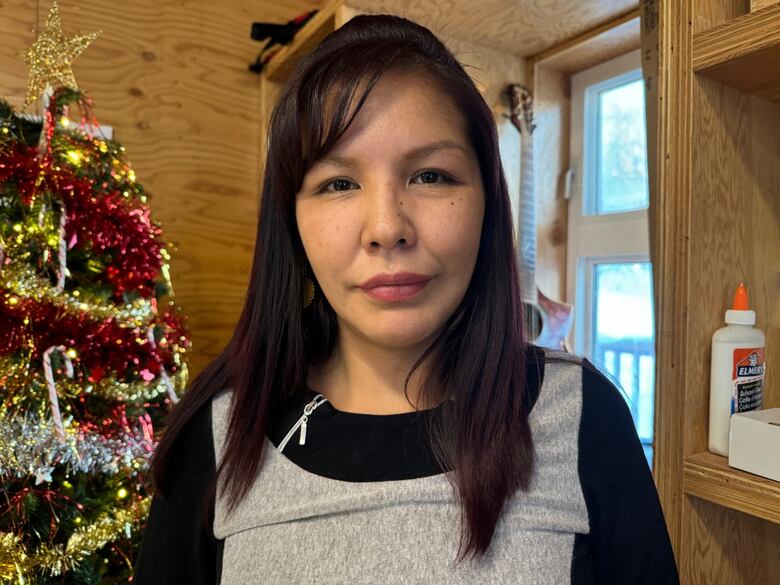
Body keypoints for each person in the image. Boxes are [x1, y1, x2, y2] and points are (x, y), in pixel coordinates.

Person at [132, 13, 679, 585]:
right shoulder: (218, 435)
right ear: (291, 221)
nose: (387, 227)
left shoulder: (585, 418)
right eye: (338, 184)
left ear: (488, 202)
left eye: (432, 176)